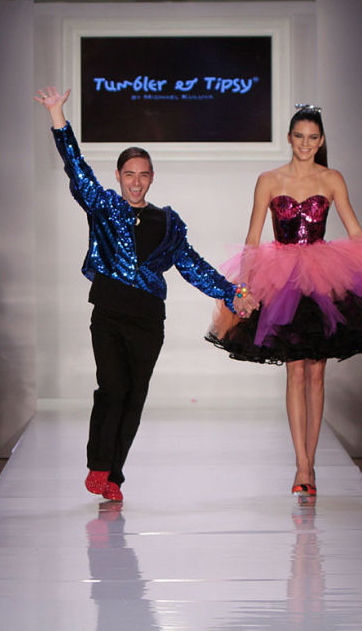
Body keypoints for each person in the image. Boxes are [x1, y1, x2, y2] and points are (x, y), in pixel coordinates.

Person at [35, 86, 250, 502]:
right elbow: (75, 166)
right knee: (112, 388)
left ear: (152, 178)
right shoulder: (104, 207)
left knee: (134, 397)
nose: (136, 182)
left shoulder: (168, 223)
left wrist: (230, 292)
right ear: (118, 176)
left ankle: (114, 476)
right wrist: (57, 115)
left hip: (149, 320)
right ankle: (99, 464)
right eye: (129, 174)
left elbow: (192, 265)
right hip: (109, 313)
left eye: (144, 175)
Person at [206, 105, 362, 496]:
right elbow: (253, 237)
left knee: (316, 372)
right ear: (290, 138)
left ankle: (311, 465)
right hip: (282, 279)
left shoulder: (331, 178)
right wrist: (244, 287)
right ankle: (301, 466)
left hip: (322, 279)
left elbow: (355, 231)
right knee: (296, 370)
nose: (305, 144)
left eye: (313, 138)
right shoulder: (269, 180)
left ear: (321, 141)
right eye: (300, 137)